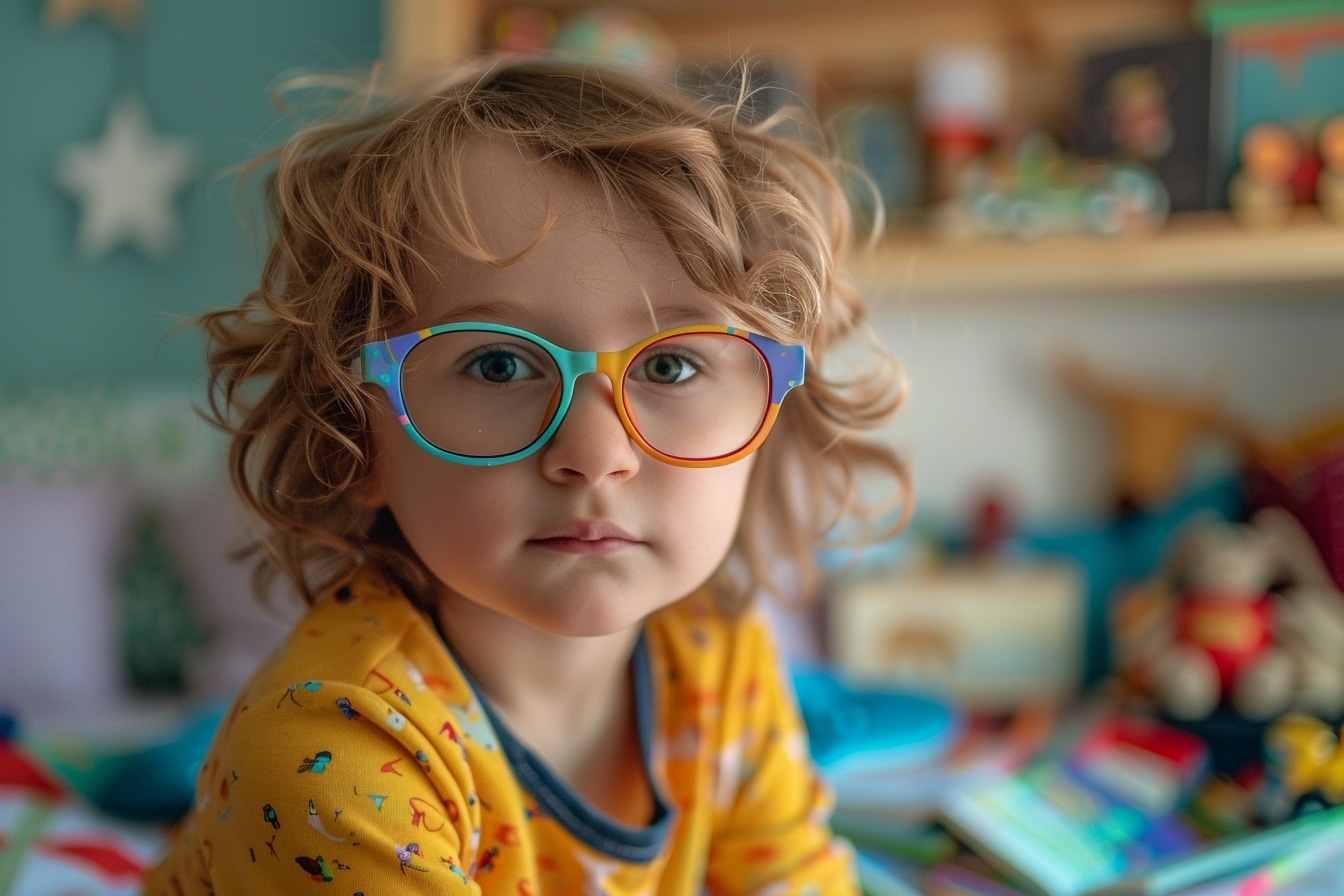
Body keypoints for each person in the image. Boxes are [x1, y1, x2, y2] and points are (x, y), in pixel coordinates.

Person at [146, 54, 908, 895]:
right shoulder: (334, 762)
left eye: (672, 369)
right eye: (501, 366)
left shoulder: (718, 658)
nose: (595, 450)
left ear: (768, 409)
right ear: (352, 438)